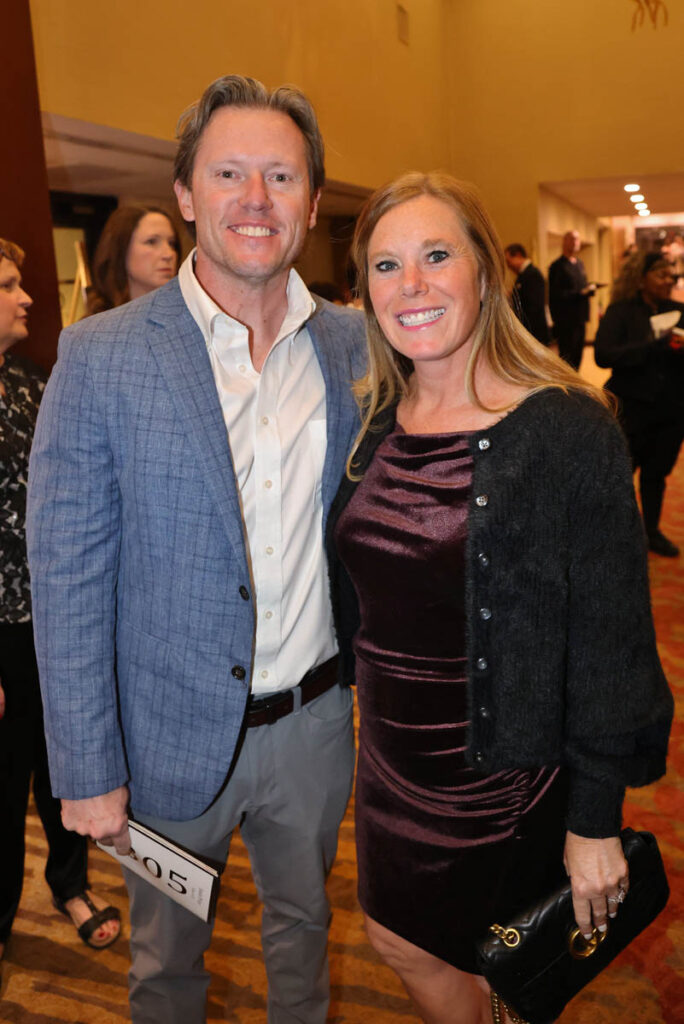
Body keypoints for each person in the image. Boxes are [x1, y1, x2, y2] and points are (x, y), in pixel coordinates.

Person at [27, 75, 365, 1023]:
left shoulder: (356, 346)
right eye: (228, 173)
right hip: (163, 736)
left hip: (313, 727)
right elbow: (67, 576)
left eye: (281, 176)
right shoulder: (101, 356)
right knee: (166, 965)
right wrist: (85, 767)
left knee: (305, 933)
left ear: (311, 202)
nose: (256, 199)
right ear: (184, 194)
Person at [325, 173, 673, 1024]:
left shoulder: (567, 427)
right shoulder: (377, 418)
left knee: (504, 961)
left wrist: (594, 821)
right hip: (392, 766)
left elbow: (612, 642)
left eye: (436, 256)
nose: (411, 285)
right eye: (386, 265)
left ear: (484, 271)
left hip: (500, 780)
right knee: (399, 938)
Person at [0, 238, 120, 962]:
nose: (26, 298)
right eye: (8, 285)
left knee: (62, 762)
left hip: (49, 619)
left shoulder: (32, 382)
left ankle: (69, 884)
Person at [595, 251, 684, 557]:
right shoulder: (621, 311)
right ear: (641, 278)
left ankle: (652, 532)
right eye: (661, 275)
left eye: (670, 276)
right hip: (629, 409)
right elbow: (603, 355)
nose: (668, 281)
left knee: (656, 475)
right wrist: (651, 347)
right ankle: (618, 536)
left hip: (671, 410)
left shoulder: (679, 311)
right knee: (621, 475)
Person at [86, 204, 180, 314]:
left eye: (171, 243)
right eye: (151, 242)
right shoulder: (99, 322)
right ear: (121, 249)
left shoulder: (187, 314)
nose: (169, 254)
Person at [548, 229, 595, 369]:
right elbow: (556, 294)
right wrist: (579, 293)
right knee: (568, 356)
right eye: (573, 239)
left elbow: (582, 286)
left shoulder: (579, 264)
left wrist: (589, 290)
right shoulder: (557, 266)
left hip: (581, 316)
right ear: (565, 242)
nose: (576, 243)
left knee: (578, 354)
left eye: (578, 239)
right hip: (566, 319)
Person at [503, 243, 550, 345]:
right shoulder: (523, 275)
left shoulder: (532, 274)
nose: (508, 266)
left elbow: (534, 307)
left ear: (518, 255)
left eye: (509, 262)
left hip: (534, 332)